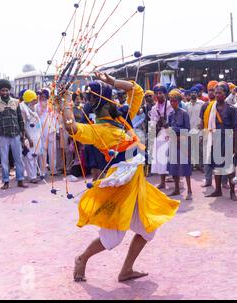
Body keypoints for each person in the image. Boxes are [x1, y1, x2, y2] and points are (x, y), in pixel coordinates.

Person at [63, 72, 180, 282]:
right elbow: (71, 127)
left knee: (147, 230)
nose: (118, 99)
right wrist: (66, 103)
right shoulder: (97, 130)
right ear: (106, 103)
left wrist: (111, 81)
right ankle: (82, 258)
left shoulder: (121, 119)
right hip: (120, 186)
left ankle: (126, 270)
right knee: (113, 237)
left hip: (136, 186)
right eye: (113, 96)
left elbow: (137, 91)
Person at [203, 82, 237, 201]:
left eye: (220, 93)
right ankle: (218, 190)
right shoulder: (210, 107)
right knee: (217, 166)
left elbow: (235, 128)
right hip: (215, 139)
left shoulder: (232, 109)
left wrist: (235, 145)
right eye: (216, 92)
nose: (217, 95)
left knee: (229, 167)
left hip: (227, 138)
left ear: (225, 94)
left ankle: (232, 192)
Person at [0, 79, 28, 190]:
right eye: (2, 91)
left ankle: (20, 180)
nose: (5, 93)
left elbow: (20, 118)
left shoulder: (16, 102)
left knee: (19, 158)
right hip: (3, 136)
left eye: (6, 90)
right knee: (4, 160)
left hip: (16, 134)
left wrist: (23, 132)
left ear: (9, 90)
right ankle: (6, 181)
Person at [167, 89, 193, 200]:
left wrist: (174, 130)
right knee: (173, 166)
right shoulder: (170, 114)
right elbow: (168, 128)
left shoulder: (184, 113)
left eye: (174, 101)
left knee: (185, 166)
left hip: (183, 142)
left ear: (178, 101)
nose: (172, 103)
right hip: (173, 142)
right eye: (171, 101)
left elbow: (187, 130)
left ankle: (189, 190)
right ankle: (176, 189)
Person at [149, 84, 174, 189]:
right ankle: (162, 181)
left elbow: (172, 120)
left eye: (161, 93)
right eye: (157, 93)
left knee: (172, 158)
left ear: (165, 94)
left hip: (169, 133)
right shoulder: (154, 108)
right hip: (159, 135)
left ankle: (176, 181)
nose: (158, 95)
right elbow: (152, 122)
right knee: (160, 158)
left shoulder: (170, 105)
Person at [20, 90, 42, 184]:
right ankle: (32, 177)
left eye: (35, 100)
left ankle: (34, 174)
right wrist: (27, 138)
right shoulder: (23, 110)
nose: (35, 102)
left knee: (35, 156)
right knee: (29, 156)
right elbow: (23, 126)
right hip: (30, 137)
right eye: (33, 100)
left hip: (36, 136)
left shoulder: (32, 108)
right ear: (28, 100)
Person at [199, 81, 218, 187]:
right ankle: (208, 180)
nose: (211, 92)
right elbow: (201, 121)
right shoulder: (205, 105)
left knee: (221, 158)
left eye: (213, 90)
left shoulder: (220, 104)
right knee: (207, 158)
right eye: (209, 90)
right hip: (207, 134)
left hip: (218, 134)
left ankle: (223, 182)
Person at [37, 88, 58, 178]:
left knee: (53, 151)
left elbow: (55, 117)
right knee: (43, 152)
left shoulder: (51, 105)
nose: (43, 98)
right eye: (41, 96)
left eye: (44, 96)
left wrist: (56, 130)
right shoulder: (36, 106)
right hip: (41, 131)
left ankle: (53, 169)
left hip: (51, 130)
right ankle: (42, 171)